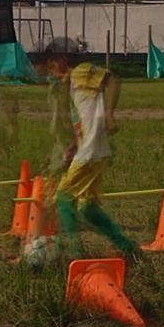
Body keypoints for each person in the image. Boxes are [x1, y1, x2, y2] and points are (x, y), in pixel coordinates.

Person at [41, 49, 140, 259]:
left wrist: (109, 114)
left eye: (52, 66)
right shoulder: (73, 84)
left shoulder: (81, 72)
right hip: (94, 150)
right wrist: (74, 144)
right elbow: (85, 117)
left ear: (63, 59)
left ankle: (76, 253)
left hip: (92, 151)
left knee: (63, 198)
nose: (52, 73)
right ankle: (129, 249)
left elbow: (114, 79)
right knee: (88, 208)